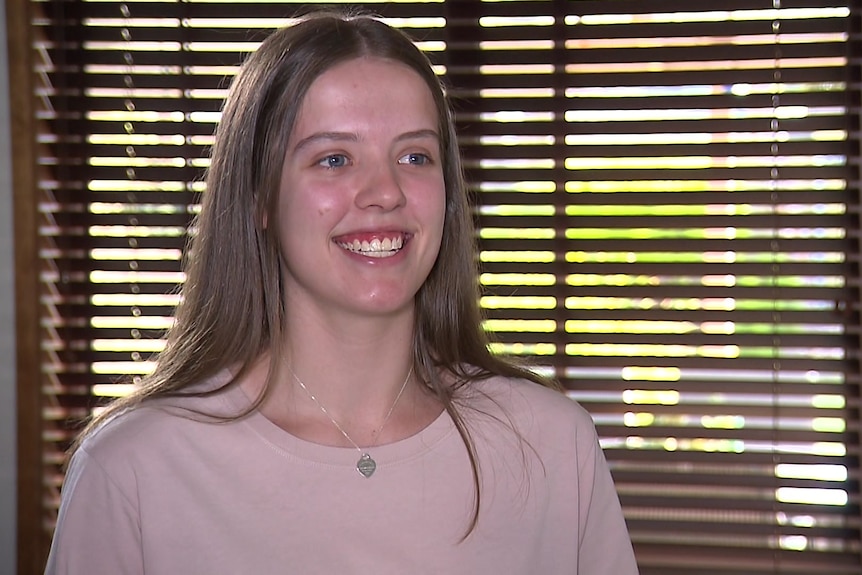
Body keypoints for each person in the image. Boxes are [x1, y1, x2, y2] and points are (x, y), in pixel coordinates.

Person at [45, 11, 638, 575]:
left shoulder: (553, 445)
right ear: (258, 200)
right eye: (334, 159)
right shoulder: (133, 469)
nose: (385, 192)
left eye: (414, 155)